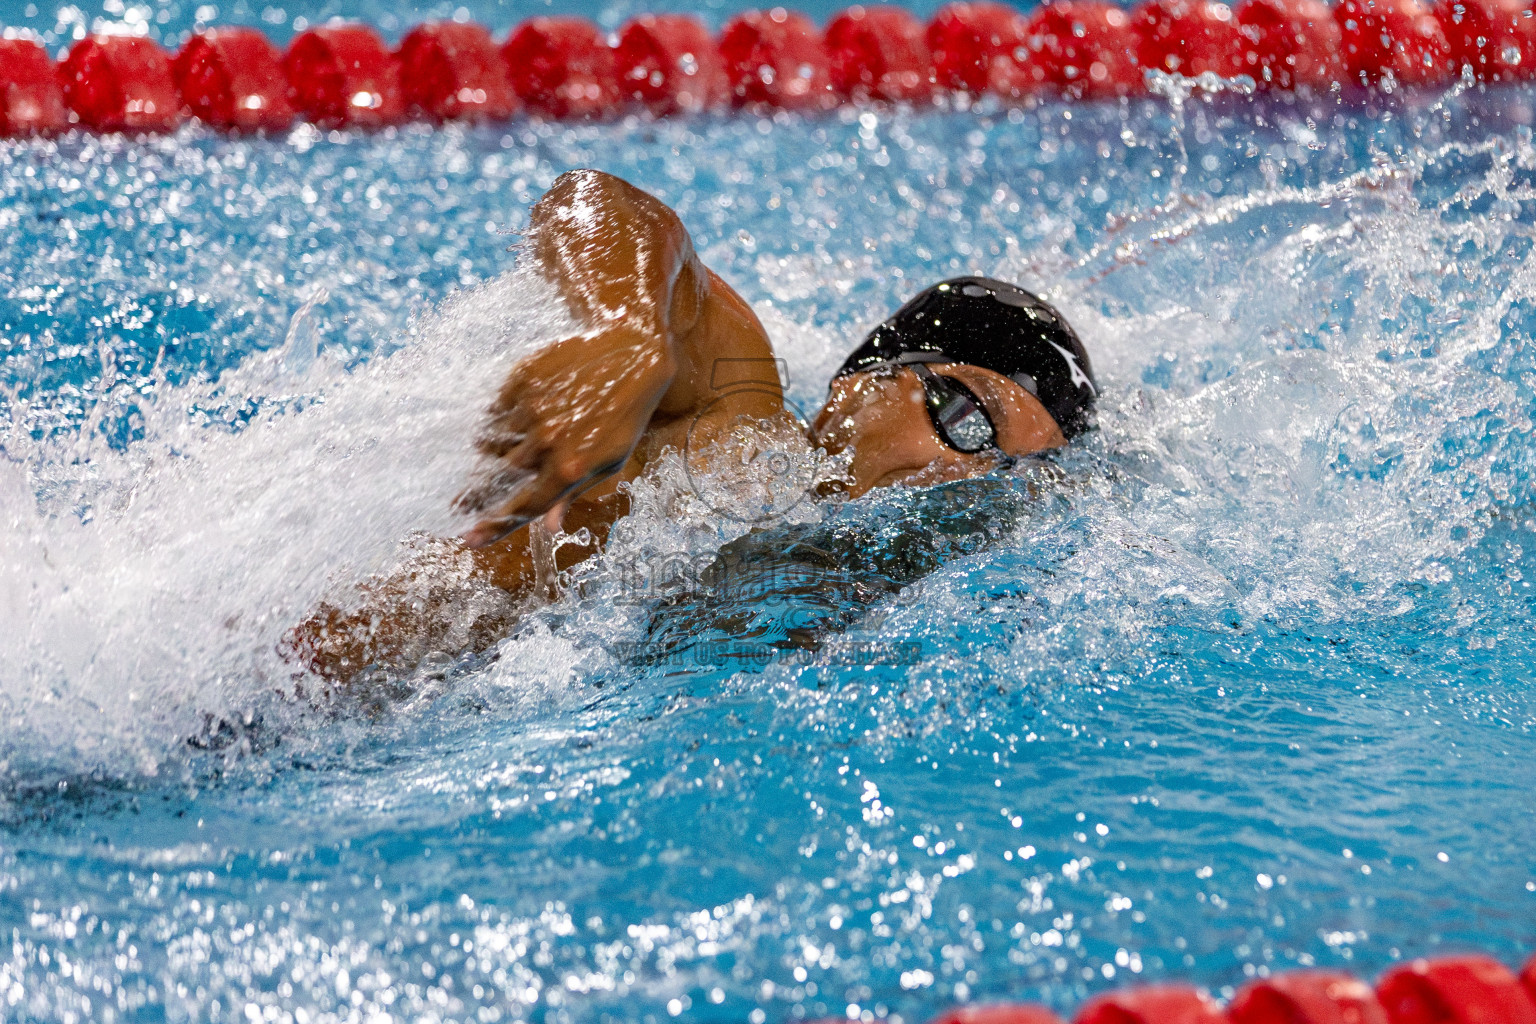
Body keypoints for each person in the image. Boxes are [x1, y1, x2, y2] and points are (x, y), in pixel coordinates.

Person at [289, 169, 1097, 686]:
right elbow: (605, 203)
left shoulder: (871, 601)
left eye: (1005, 473)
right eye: (965, 420)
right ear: (863, 382)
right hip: (278, 683)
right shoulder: (739, 420)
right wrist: (626, 332)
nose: (964, 476)